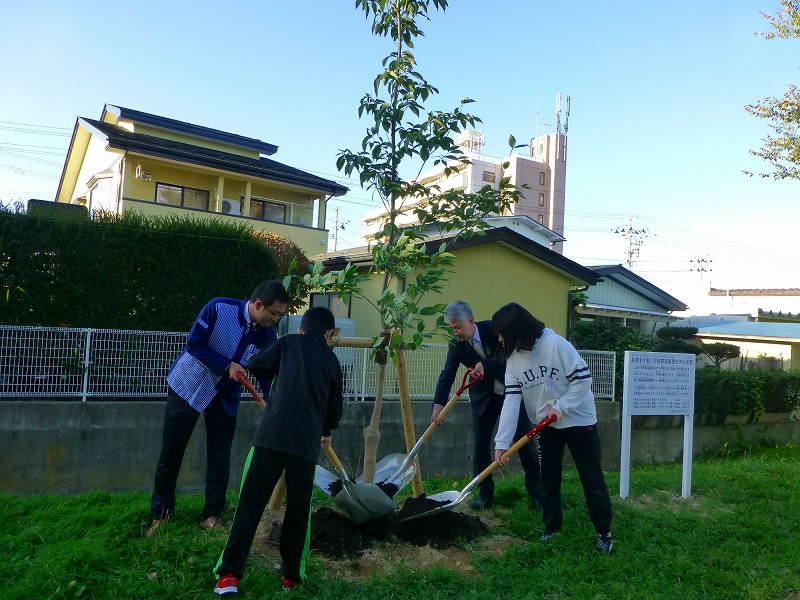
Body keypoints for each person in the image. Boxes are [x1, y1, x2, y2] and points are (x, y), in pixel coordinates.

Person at [213, 306, 343, 595]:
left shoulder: (286, 343)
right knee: (298, 512)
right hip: (305, 447)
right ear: (330, 333)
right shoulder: (332, 362)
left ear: (301, 330)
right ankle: (291, 578)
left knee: (249, 505)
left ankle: (228, 576)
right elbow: (333, 413)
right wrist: (325, 431)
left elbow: (257, 365)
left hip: (270, 439)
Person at [146, 280, 290, 538]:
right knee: (172, 450)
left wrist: (273, 405)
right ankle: (162, 514)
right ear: (259, 305)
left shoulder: (267, 335)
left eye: (280, 315)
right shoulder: (218, 309)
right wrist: (228, 365)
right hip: (189, 385)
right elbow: (195, 345)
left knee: (220, 456)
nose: (276, 319)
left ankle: (212, 515)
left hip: (224, 396)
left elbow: (266, 374)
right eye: (274, 313)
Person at [491, 302, 614, 553]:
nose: (500, 339)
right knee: (548, 478)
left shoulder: (556, 345)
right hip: (545, 424)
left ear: (516, 329)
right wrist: (501, 444)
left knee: (591, 478)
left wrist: (562, 406)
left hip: (579, 419)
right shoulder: (513, 359)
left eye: (502, 333)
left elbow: (583, 380)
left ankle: (604, 533)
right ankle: (551, 526)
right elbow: (511, 400)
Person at [431, 300, 542, 511]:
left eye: (458, 327)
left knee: (524, 441)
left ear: (470, 321)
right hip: (483, 399)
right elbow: (447, 374)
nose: (456, 332)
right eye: (452, 328)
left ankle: (537, 495)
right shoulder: (455, 345)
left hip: (511, 393)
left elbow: (509, 355)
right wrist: (438, 405)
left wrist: (486, 365)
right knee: (481, 447)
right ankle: (485, 495)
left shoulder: (493, 329)